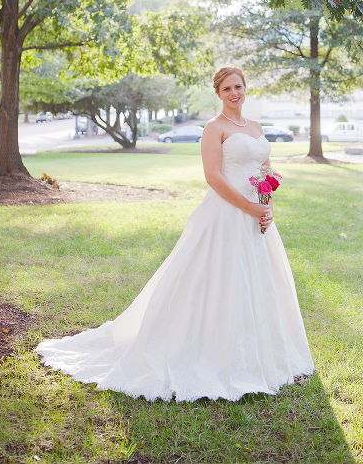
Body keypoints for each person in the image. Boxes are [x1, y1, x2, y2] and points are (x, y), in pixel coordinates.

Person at [36, 67, 314, 402]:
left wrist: (267, 203)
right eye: (227, 88)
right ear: (218, 93)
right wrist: (248, 206)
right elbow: (213, 177)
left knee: (263, 284)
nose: (234, 93)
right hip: (227, 214)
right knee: (222, 281)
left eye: (238, 86)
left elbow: (265, 169)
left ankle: (272, 358)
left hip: (259, 218)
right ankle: (214, 355)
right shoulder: (214, 128)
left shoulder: (255, 128)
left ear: (245, 88)